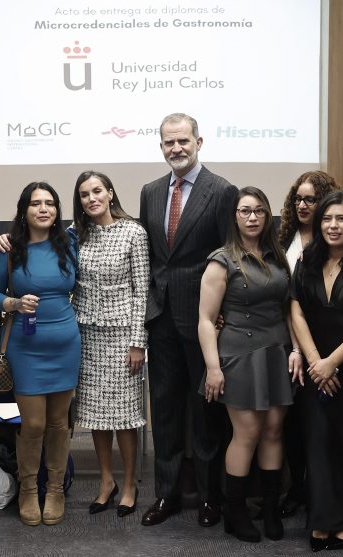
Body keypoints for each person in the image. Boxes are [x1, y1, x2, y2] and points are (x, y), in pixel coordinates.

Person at [139, 112, 239, 528]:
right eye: (169, 142)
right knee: (163, 409)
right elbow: (151, 255)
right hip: (161, 317)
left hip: (204, 320)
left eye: (183, 141)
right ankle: (167, 494)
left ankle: (210, 496)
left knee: (205, 410)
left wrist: (224, 313)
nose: (176, 148)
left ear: (199, 142)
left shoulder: (222, 191)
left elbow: (231, 255)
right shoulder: (150, 191)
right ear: (161, 146)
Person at [197, 186, 303, 542]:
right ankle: (236, 512)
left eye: (259, 210)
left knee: (273, 430)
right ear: (235, 217)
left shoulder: (277, 256)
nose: (253, 217)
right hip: (238, 354)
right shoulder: (221, 259)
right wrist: (213, 368)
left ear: (268, 215)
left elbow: (288, 308)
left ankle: (270, 509)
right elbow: (205, 320)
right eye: (245, 211)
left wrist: (296, 348)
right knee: (247, 433)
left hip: (276, 351)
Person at [0, 182, 80, 526]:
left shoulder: (70, 244)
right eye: (36, 203)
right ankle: (28, 489)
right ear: (24, 210)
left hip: (65, 343)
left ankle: (54, 489)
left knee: (58, 422)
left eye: (50, 203)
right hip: (25, 347)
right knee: (34, 423)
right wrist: (13, 302)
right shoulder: (8, 249)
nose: (44, 209)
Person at [289, 190, 343, 551]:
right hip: (315, 367)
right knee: (318, 442)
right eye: (326, 218)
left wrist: (332, 362)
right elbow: (295, 311)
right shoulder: (306, 261)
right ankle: (321, 520)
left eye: (341, 218)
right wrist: (315, 362)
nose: (333, 225)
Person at [70, 172, 149, 517]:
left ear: (110, 193)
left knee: (125, 415)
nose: (91, 198)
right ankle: (106, 482)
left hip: (122, 337)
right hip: (85, 333)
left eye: (97, 191)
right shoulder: (76, 234)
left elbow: (142, 291)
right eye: (84, 194)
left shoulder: (134, 232)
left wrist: (138, 342)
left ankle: (129, 484)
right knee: (95, 414)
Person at [277, 170, 339, 518]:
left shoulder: (334, 238)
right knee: (292, 423)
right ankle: (296, 489)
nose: (302, 205)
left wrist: (305, 350)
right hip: (286, 340)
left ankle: (322, 491)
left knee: (322, 422)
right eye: (298, 198)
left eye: (310, 199)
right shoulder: (284, 236)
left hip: (324, 343)